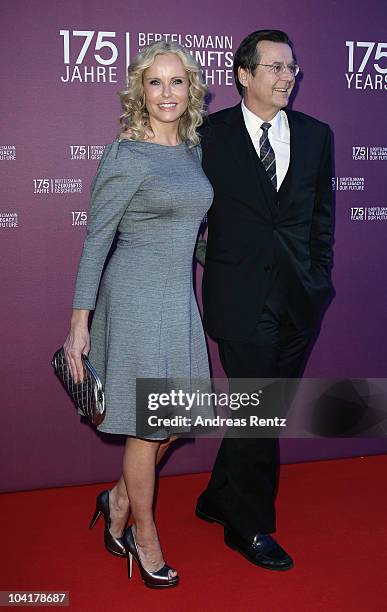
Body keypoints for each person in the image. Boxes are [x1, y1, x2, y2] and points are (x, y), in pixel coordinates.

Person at [63, 41, 213, 588]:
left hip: (177, 299)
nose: (167, 93)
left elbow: (189, 233)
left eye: (177, 82)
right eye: (156, 82)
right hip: (133, 301)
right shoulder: (126, 153)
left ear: (190, 90)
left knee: (172, 420)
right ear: (140, 91)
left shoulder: (191, 151)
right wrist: (80, 321)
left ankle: (117, 498)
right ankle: (143, 535)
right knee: (147, 430)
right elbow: (96, 240)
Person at [195, 30, 334, 570]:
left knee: (264, 409)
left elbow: (321, 217)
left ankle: (215, 498)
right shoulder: (208, 134)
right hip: (240, 299)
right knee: (260, 414)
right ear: (243, 75)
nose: (286, 77)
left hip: (300, 298)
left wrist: (320, 277)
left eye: (292, 68)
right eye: (274, 68)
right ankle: (248, 526)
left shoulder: (317, 135)